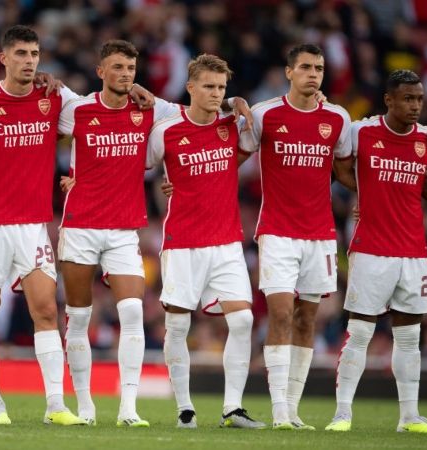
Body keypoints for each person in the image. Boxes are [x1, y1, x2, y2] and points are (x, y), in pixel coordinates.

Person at [0, 25, 85, 426]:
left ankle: (56, 406)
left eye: (34, 53)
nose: (29, 61)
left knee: (45, 309)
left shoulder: (54, 97)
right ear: (3, 58)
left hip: (32, 224)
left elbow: (96, 118)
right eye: (20, 53)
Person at [56, 39, 180, 428]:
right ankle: (87, 407)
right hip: (79, 225)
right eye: (117, 67)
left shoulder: (149, 109)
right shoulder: (76, 109)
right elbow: (34, 124)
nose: (125, 74)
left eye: (130, 67)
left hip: (125, 229)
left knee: (131, 311)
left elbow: (198, 115)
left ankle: (128, 407)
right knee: (78, 317)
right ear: (100, 72)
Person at [146, 53, 266, 430]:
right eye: (209, 87)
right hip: (182, 241)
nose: (216, 94)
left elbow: (255, 139)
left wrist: (235, 104)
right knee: (179, 326)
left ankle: (233, 408)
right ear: (191, 88)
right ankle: (185, 408)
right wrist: (161, 191)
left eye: (222, 88)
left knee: (243, 320)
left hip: (227, 241)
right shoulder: (166, 131)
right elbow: (141, 167)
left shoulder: (233, 126)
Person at [238, 43, 352, 430]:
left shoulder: (338, 118)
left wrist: (367, 199)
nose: (313, 73)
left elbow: (346, 168)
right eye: (305, 67)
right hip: (277, 233)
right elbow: (232, 154)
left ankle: (294, 408)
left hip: (320, 235)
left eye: (318, 67)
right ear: (289, 72)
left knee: (307, 320)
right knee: (282, 314)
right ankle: (279, 410)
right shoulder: (265, 114)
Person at [325, 70, 427, 434]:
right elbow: (339, 164)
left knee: (409, 338)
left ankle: (409, 416)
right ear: (389, 100)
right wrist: (365, 192)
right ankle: (342, 413)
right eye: (408, 99)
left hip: (412, 251)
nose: (415, 106)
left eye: (420, 100)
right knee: (360, 332)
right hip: (371, 248)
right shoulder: (362, 131)